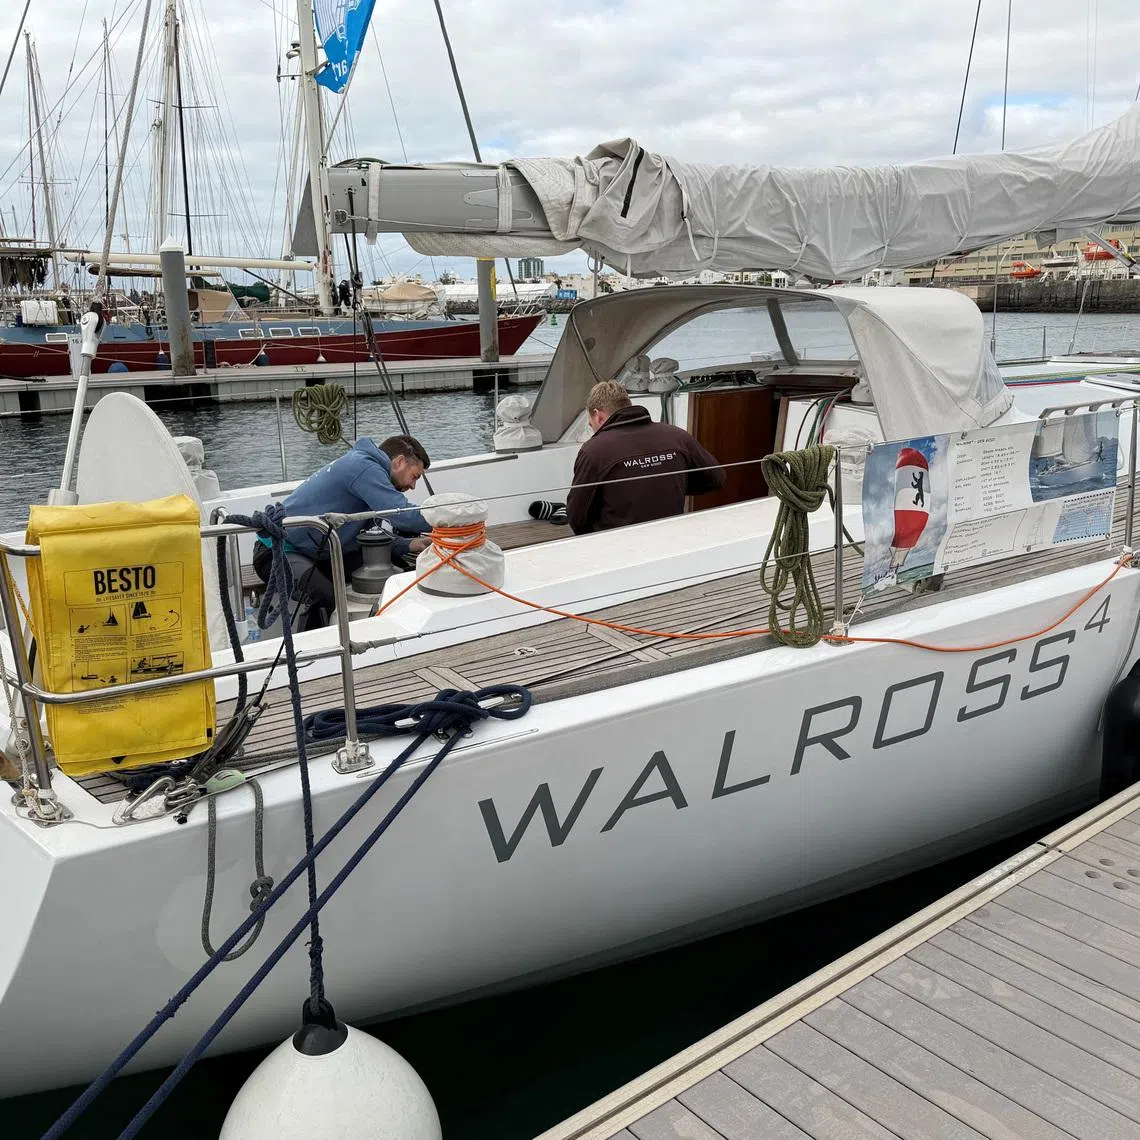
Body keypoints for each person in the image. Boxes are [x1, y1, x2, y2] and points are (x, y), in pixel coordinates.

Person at [253, 434, 432, 628]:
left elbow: (370, 533)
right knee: (322, 596)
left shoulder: (366, 468)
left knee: (397, 571)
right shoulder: (365, 468)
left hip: (319, 552)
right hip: (278, 551)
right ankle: (316, 654)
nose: (413, 486)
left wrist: (410, 545)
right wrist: (450, 519)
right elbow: (401, 514)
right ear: (400, 462)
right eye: (415, 476)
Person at [565, 380, 725, 534]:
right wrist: (672, 483)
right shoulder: (676, 436)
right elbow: (715, 478)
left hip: (619, 546)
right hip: (671, 539)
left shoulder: (594, 450)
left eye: (590, 424)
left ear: (598, 416)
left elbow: (577, 518)